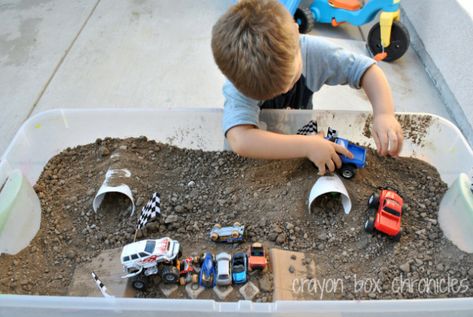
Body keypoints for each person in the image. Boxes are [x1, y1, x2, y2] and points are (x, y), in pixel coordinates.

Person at [211, 0, 404, 175]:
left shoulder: (312, 52)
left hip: (301, 130)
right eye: (271, 92)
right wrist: (306, 146)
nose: (285, 91)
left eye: (290, 80)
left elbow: (366, 71)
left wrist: (384, 114)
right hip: (261, 150)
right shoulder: (240, 80)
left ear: (296, 33)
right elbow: (240, 140)